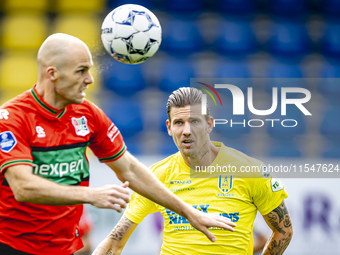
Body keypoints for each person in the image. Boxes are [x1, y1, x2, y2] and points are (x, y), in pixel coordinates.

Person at [0, 34, 235, 255]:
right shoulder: (12, 118)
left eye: (89, 70)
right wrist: (89, 194)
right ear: (52, 73)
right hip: (11, 246)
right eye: (81, 71)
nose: (89, 79)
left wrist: (188, 212)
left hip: (64, 248)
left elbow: (129, 169)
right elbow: (23, 187)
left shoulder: (88, 114)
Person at [92, 87, 293, 255]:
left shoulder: (249, 171)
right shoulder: (156, 176)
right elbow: (114, 242)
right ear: (169, 127)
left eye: (194, 121)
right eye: (179, 123)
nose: (187, 130)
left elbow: (283, 230)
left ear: (209, 124)